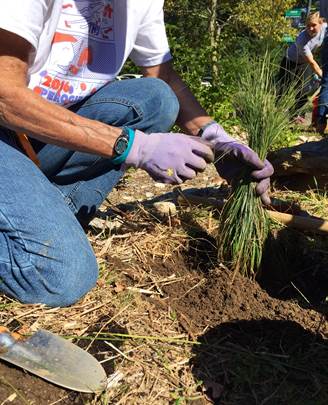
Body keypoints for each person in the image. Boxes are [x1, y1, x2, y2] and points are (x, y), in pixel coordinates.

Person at [0, 0, 273, 307]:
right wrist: (132, 146)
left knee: (156, 98)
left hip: (35, 133)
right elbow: (5, 96)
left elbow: (163, 77)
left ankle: (44, 214)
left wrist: (214, 136)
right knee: (58, 273)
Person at [277, 11, 327, 122]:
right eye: (308, 26)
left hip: (304, 63)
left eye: (314, 25)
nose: (310, 28)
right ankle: (277, 114)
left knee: (303, 90)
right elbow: (312, 63)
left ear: (321, 23)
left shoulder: (325, 28)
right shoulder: (301, 40)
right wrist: (325, 78)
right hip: (290, 62)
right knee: (284, 89)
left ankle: (297, 116)